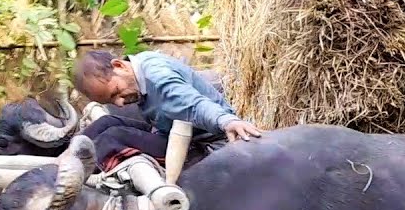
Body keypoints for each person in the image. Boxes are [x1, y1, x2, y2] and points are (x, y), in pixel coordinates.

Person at [73, 49, 263, 172]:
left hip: (197, 144)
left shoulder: (158, 77)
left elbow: (194, 105)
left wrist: (226, 121)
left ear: (119, 66)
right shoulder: (139, 65)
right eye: (112, 100)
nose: (120, 103)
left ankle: (76, 176)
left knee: (113, 136)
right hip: (167, 132)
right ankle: (63, 161)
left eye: (116, 93)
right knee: (106, 123)